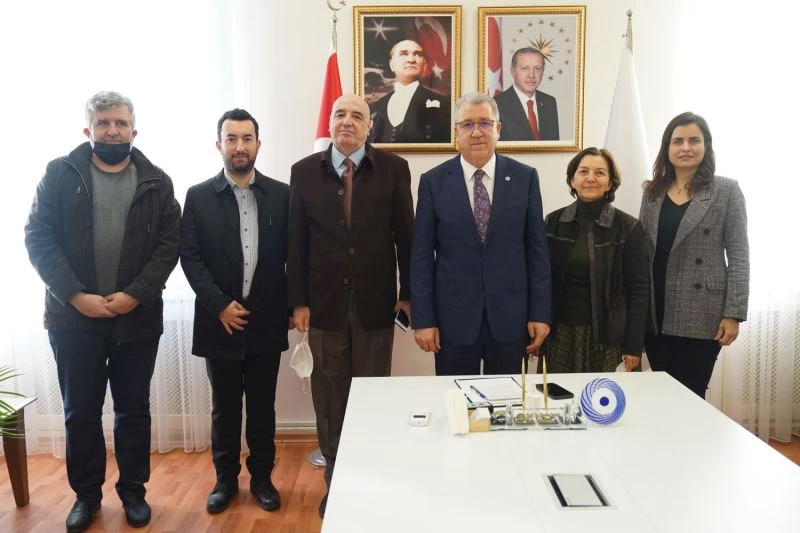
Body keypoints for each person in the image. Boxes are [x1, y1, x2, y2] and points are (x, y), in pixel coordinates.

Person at [24, 91, 180, 532]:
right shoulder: (59, 174)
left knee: (133, 411)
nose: (113, 131)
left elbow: (169, 245)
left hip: (137, 318)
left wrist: (135, 295)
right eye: (103, 123)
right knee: (81, 412)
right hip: (73, 319)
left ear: (134, 130)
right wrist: (75, 295)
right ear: (88, 129)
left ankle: (133, 491)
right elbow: (38, 237)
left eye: (120, 123)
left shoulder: (157, 181)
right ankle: (86, 496)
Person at [288, 94, 413, 517]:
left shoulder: (393, 169)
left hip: (376, 304)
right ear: (330, 121)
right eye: (339, 114)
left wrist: (408, 293)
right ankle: (336, 479)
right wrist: (298, 301)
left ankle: (372, 477)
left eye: (356, 115)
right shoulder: (304, 171)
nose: (347, 121)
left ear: (369, 126)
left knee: (372, 393)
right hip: (323, 306)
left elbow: (406, 237)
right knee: (330, 396)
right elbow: (295, 243)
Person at [180, 109, 291, 514]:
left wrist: (293, 305)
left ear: (259, 144)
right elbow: (190, 257)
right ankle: (224, 481)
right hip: (219, 322)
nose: (239, 146)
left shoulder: (282, 195)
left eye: (247, 138)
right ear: (219, 145)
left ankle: (262, 479)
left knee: (262, 407)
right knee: (224, 409)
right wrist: (220, 305)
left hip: (267, 320)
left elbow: (292, 256)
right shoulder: (197, 197)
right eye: (231, 138)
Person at [411, 92, 551, 375]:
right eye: (467, 124)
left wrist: (540, 314)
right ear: (457, 132)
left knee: (509, 399)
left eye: (485, 123)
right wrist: (424, 319)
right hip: (453, 319)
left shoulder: (525, 177)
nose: (476, 132)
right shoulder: (433, 182)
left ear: (498, 129)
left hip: (512, 318)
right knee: (456, 398)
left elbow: (537, 252)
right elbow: (422, 256)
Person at [639, 112, 749, 397]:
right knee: (661, 395)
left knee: (691, 396)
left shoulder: (726, 190)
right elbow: (642, 253)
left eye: (694, 140)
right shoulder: (652, 193)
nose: (685, 147)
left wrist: (734, 314)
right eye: (678, 141)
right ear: (667, 148)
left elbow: (739, 255)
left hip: (702, 312)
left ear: (706, 146)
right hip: (655, 313)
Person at [540, 147, 649, 374]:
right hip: (560, 334)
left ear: (610, 183)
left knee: (604, 396)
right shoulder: (553, 222)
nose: (591, 178)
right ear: (572, 180)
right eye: (583, 171)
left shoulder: (628, 227)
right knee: (558, 395)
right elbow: (540, 280)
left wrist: (633, 346)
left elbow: (639, 291)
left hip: (609, 337)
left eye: (600, 173)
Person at [368, 39, 451, 143]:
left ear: (424, 64)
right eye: (403, 54)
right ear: (391, 65)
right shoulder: (375, 108)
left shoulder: (444, 104)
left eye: (418, 54)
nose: (411, 60)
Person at [494, 47, 559, 141]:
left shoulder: (549, 102)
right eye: (525, 68)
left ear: (543, 71)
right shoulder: (496, 105)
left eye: (537, 68)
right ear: (513, 71)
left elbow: (554, 146)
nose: (531, 75)